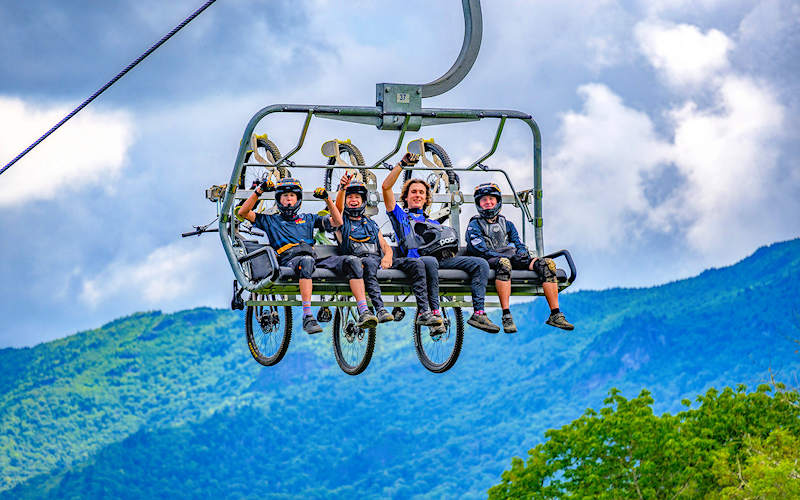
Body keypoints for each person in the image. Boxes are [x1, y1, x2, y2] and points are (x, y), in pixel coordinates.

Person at [237, 177, 378, 334]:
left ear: (298, 199)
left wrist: (327, 199)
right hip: (290, 261)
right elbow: (243, 212)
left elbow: (338, 222)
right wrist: (259, 191)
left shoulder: (308, 219)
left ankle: (364, 311)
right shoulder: (270, 220)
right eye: (284, 196)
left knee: (352, 261)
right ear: (279, 200)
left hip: (313, 259)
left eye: (292, 196)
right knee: (306, 261)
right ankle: (308, 316)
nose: (288, 199)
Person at [382, 153, 500, 334]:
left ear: (426, 198)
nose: (417, 195)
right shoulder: (400, 216)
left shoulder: (433, 223)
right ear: (406, 197)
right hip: (417, 261)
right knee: (429, 261)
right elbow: (386, 187)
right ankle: (434, 313)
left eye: (421, 192)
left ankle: (479, 313)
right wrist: (402, 164)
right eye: (413, 192)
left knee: (480, 264)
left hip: (439, 260)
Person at [325, 175, 435, 325]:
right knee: (369, 263)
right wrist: (343, 189)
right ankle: (380, 309)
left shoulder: (371, 223)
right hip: (358, 262)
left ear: (363, 200)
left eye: (357, 197)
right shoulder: (341, 222)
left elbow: (384, 245)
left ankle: (423, 311)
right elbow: (337, 211)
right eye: (349, 197)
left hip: (377, 260)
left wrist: (388, 255)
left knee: (416, 264)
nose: (353, 200)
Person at [466, 182, 573, 332]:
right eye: (484, 200)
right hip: (489, 260)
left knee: (547, 264)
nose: (488, 202)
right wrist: (505, 256)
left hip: (511, 258)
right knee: (504, 263)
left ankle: (555, 314)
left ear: (497, 201)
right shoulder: (474, 225)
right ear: (479, 204)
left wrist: (521, 253)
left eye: (491, 199)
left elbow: (518, 242)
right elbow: (479, 249)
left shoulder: (507, 224)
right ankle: (506, 315)